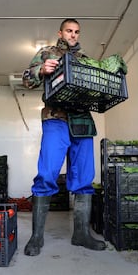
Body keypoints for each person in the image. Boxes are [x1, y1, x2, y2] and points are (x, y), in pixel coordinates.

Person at [22, 18, 106, 256]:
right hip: (55, 118)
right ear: (60, 32)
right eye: (69, 30)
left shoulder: (86, 59)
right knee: (47, 173)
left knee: (84, 178)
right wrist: (41, 70)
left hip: (82, 121)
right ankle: (36, 238)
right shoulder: (47, 52)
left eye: (77, 32)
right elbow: (26, 80)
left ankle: (80, 234)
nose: (73, 35)